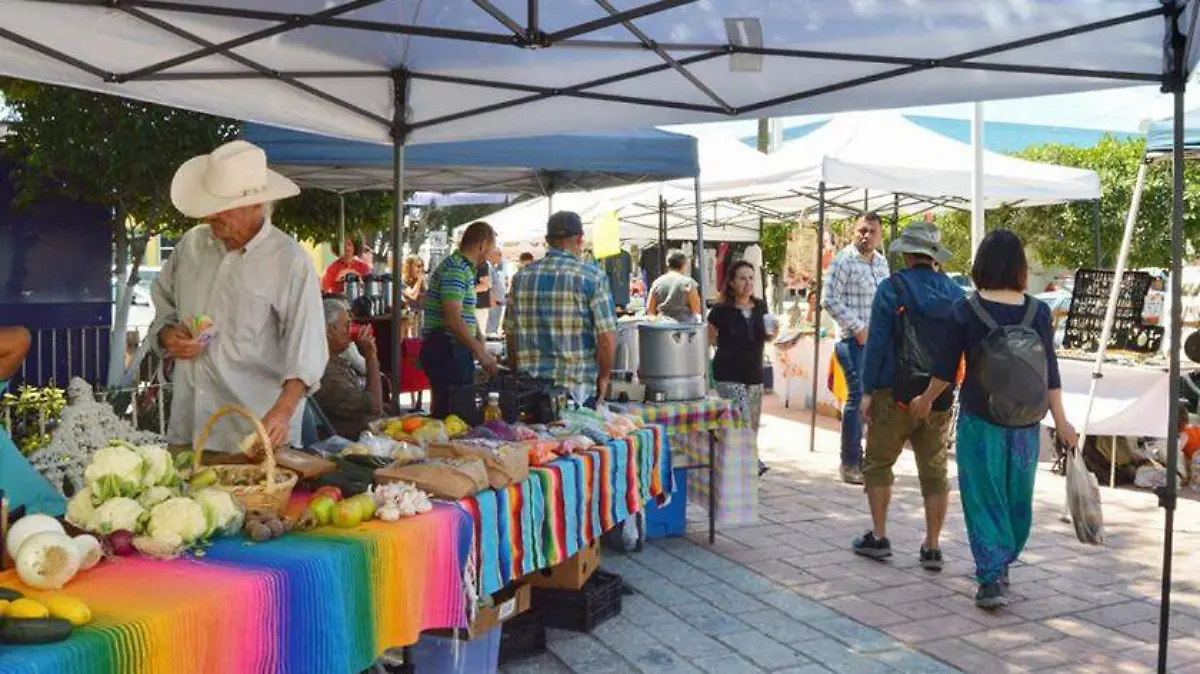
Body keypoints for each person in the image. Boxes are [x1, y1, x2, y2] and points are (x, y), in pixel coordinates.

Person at [910, 229, 1078, 611]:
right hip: (1026, 425)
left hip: (980, 421)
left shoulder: (965, 310)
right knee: (1017, 497)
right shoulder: (1038, 312)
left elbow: (945, 369)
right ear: (1020, 267)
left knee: (983, 496)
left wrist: (925, 400)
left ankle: (990, 576)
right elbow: (1050, 373)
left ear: (981, 264)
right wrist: (1062, 422)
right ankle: (1002, 561)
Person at [152, 139, 327, 452]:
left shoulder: (289, 261)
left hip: (253, 434)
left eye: (223, 207)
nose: (211, 216)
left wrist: (284, 410)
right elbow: (163, 304)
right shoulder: (191, 246)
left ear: (257, 204)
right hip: (188, 426)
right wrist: (167, 335)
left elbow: (308, 350)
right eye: (210, 205)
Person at [852, 222, 963, 571]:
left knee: (878, 464)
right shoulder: (956, 293)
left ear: (908, 255)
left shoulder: (892, 288)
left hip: (892, 392)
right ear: (934, 256)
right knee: (935, 472)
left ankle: (880, 536)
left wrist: (867, 391)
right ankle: (932, 547)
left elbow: (877, 342)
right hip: (937, 396)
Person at [506, 211, 617, 406]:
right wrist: (604, 377)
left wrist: (516, 373)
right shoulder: (592, 277)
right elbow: (606, 338)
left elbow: (510, 334)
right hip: (576, 390)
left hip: (528, 388)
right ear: (580, 239)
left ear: (547, 240)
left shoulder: (521, 278)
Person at [824, 212, 890, 485]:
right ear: (854, 232)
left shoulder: (882, 263)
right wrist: (858, 327)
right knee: (857, 396)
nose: (866, 236)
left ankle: (868, 461)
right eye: (862, 230)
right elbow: (829, 299)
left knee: (876, 399)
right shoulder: (843, 260)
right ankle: (849, 462)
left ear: (880, 235)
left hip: (879, 344)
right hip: (852, 341)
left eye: (872, 231)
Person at [421, 222, 499, 418]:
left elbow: (465, 312)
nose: (490, 255)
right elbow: (453, 319)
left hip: (453, 348)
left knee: (457, 413)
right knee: (453, 415)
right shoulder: (455, 269)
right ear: (482, 244)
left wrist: (479, 337)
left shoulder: (464, 269)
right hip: (447, 350)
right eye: (491, 248)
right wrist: (480, 352)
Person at [708, 261, 777, 477]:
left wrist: (774, 332)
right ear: (731, 282)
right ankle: (750, 463)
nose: (747, 283)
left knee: (752, 423)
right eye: (742, 278)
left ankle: (739, 464)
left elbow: (766, 336)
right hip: (728, 374)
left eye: (750, 278)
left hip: (754, 373)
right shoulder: (720, 310)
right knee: (743, 419)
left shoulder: (760, 307)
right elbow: (709, 339)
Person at [313, 297, 383, 439]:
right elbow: (375, 407)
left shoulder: (331, 361)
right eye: (346, 326)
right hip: (353, 440)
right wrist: (371, 357)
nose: (350, 331)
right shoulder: (326, 373)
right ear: (328, 331)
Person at [647, 250, 702, 322]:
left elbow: (650, 310)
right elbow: (696, 309)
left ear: (667, 264)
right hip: (685, 325)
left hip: (663, 324)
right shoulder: (688, 283)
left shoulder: (657, 282)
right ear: (684, 265)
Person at [486, 247, 508, 336]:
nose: (501, 257)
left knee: (493, 327)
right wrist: (492, 301)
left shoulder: (493, 268)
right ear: (493, 255)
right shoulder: (488, 267)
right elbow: (488, 287)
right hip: (492, 303)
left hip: (496, 303)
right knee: (490, 330)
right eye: (500, 255)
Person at [474, 253, 493, 332]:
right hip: (474, 305)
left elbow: (484, 286)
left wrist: (466, 292)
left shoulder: (482, 264)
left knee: (478, 333)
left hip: (479, 306)